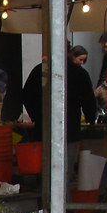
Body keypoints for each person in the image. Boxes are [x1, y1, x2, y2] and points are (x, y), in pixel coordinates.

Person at [22, 45, 97, 183]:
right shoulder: (79, 73)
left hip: (44, 129)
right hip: (70, 129)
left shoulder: (40, 70)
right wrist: (91, 119)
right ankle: (64, 200)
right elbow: (89, 100)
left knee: (46, 170)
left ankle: (47, 199)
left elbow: (26, 95)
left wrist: (36, 116)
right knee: (65, 172)